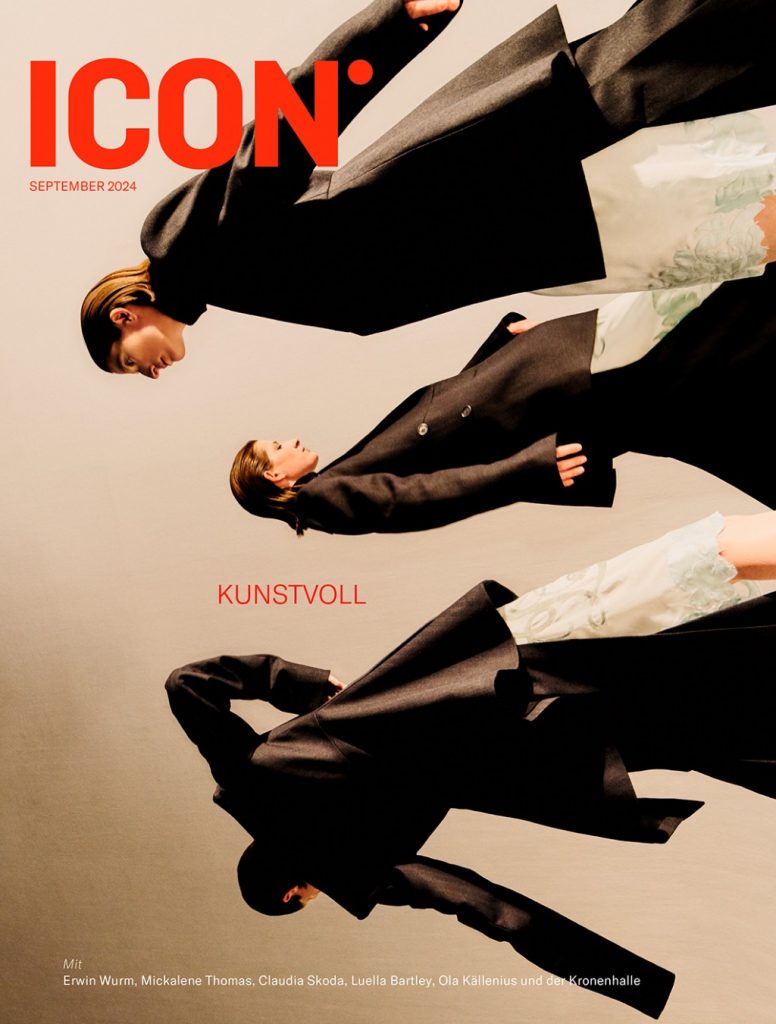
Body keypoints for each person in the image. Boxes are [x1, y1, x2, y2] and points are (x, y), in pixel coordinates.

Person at [166, 511, 776, 1019]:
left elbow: (494, 911)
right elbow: (186, 684)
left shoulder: (353, 866)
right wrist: (304, 683)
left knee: (693, 720)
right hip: (483, 676)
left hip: (537, 749)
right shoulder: (248, 774)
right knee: (656, 653)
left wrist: (631, 983)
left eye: (308, 899)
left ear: (291, 892)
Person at [80, 0, 776, 376]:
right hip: (522, 216)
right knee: (703, 90)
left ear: (123, 319)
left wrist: (388, 25)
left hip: (490, 174)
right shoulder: (217, 282)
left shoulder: (179, 249)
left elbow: (279, 139)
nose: (154, 373)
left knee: (677, 54)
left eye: (131, 366)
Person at [229, 267, 776, 534]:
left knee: (687, 401)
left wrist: (504, 348)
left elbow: (447, 414)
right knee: (688, 365)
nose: (291, 441)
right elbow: (427, 496)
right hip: (551, 402)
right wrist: (525, 470)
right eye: (277, 447)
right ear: (272, 476)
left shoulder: (335, 482)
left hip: (539, 389)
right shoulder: (321, 499)